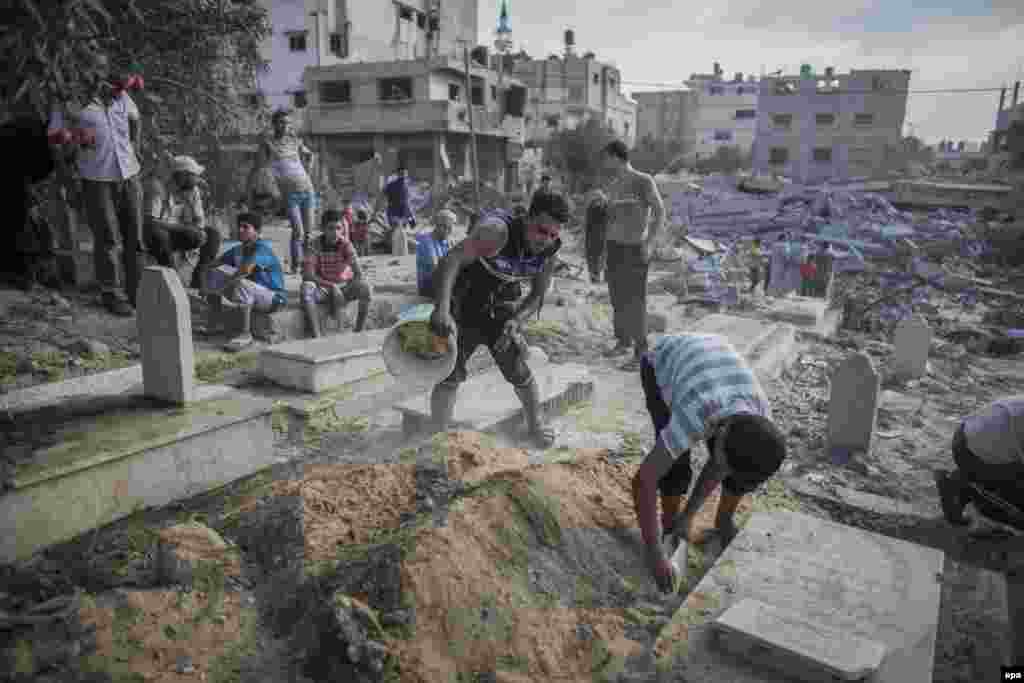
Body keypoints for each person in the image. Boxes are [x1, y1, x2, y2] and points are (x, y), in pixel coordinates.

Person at [632, 333, 787, 592]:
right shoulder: (693, 414)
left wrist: (690, 515)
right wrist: (655, 553)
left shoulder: (760, 420)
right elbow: (644, 480)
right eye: (722, 463)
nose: (720, 469)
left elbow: (723, 464)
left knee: (744, 466)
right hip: (664, 360)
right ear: (722, 433)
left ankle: (721, 520)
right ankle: (669, 526)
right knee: (676, 467)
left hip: (716, 365)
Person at [427, 192, 570, 449]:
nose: (545, 240)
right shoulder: (496, 232)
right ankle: (437, 439)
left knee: (518, 370)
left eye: (553, 235)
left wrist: (518, 320)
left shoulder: (549, 251)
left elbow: (537, 295)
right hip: (464, 302)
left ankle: (535, 425)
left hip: (502, 306)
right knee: (449, 373)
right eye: (541, 230)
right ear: (527, 218)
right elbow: (451, 260)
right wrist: (442, 308)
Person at [48, 56, 145, 316]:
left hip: (130, 176)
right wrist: (74, 141)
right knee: (108, 239)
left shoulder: (121, 97)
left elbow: (136, 118)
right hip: (96, 180)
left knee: (135, 236)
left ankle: (139, 293)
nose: (109, 82)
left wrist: (135, 146)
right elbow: (56, 140)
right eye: (97, 72)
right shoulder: (70, 104)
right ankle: (112, 294)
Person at [601, 140, 666, 369]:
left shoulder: (642, 180)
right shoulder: (612, 184)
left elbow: (659, 212)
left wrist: (650, 243)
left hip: (634, 248)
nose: (604, 163)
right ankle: (623, 341)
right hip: (615, 247)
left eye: (606, 158)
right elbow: (611, 217)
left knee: (635, 300)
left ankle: (641, 352)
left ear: (616, 157)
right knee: (617, 296)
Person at [204, 212, 287, 352]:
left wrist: (222, 287)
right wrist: (206, 285)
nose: (240, 230)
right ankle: (215, 324)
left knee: (240, 281)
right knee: (215, 273)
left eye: (245, 227)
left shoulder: (262, 249)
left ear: (257, 231)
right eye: (239, 227)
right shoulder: (238, 250)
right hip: (250, 294)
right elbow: (212, 265)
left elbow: (245, 271)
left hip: (273, 298)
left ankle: (245, 335)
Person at [936, 396, 1024, 527]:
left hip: (971, 432)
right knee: (1019, 517)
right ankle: (964, 488)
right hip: (971, 452)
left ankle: (970, 482)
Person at [248, 109, 316, 274]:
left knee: (309, 233)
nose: (285, 126)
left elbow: (309, 155)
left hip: (307, 189)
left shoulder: (295, 141)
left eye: (287, 123)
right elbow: (257, 166)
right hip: (290, 194)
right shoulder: (267, 143)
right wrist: (250, 189)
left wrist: (308, 170)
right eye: (281, 122)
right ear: (274, 124)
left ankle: (308, 266)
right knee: (298, 231)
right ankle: (295, 266)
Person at [145, 155, 222, 292]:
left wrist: (192, 221)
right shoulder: (158, 188)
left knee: (213, 234)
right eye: (194, 175)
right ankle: (173, 284)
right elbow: (152, 222)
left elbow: (199, 222)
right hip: (160, 234)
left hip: (181, 233)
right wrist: (183, 228)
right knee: (159, 235)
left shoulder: (193, 191)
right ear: (182, 176)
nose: (198, 179)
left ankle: (198, 279)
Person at [2, 113, 57, 290]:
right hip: (15, 172)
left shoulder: (37, 132)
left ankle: (28, 272)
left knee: (29, 220)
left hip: (20, 173)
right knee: (25, 220)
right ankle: (25, 273)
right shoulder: (29, 132)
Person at [301, 208, 372, 338]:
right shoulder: (314, 244)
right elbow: (308, 275)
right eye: (331, 228)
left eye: (339, 228)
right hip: (323, 288)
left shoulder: (346, 244)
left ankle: (358, 332)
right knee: (306, 289)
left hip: (342, 288)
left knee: (366, 288)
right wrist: (331, 286)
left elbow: (359, 274)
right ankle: (317, 336)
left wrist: (344, 285)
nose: (335, 232)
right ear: (323, 228)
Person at [416, 208, 455, 298]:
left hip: (443, 281)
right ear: (436, 225)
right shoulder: (426, 241)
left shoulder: (449, 241)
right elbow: (435, 267)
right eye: (444, 227)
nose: (447, 231)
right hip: (428, 286)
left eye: (450, 228)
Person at [383, 166, 415, 255]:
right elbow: (406, 203)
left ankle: (398, 253)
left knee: (399, 234)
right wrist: (411, 217)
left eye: (405, 174)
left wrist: (411, 217)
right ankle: (399, 253)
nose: (404, 176)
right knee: (400, 234)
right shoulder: (403, 186)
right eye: (403, 174)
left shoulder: (396, 185)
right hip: (397, 214)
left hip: (396, 215)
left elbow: (406, 203)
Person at [584, 190, 610, 284]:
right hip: (593, 235)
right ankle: (595, 278)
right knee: (593, 257)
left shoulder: (606, 206)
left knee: (603, 256)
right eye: (596, 198)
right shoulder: (591, 206)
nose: (597, 201)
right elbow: (587, 223)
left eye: (599, 198)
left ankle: (604, 278)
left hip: (602, 235)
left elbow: (608, 220)